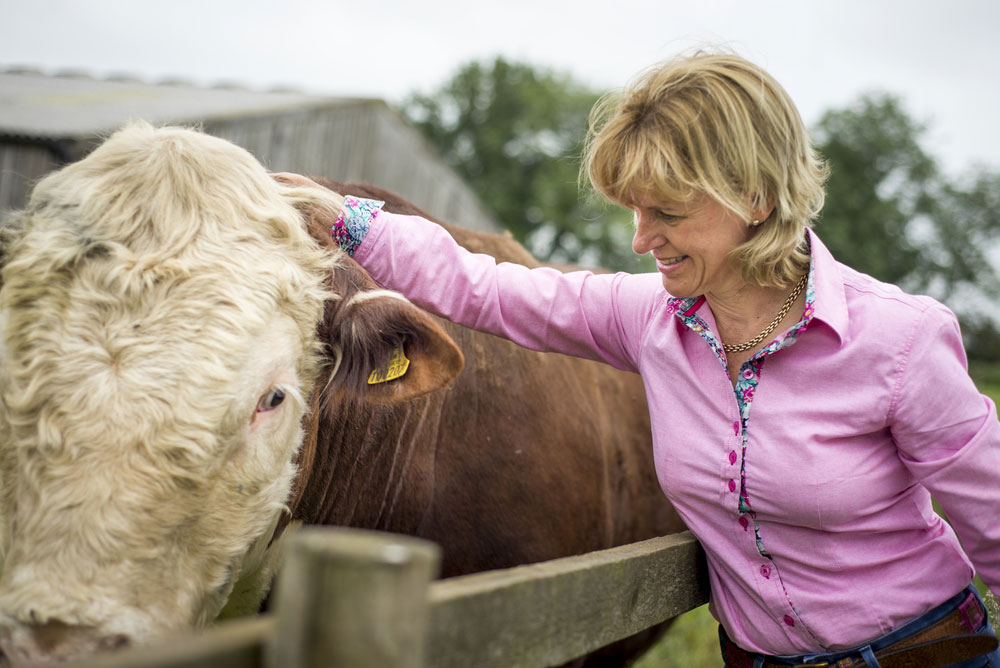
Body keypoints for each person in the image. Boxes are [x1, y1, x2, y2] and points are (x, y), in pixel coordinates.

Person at [276, 51, 1000, 668]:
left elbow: (994, 521)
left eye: (669, 214)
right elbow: (485, 288)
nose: (640, 239)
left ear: (757, 196)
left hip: (923, 651)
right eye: (634, 209)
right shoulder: (646, 319)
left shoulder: (901, 341)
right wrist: (343, 216)